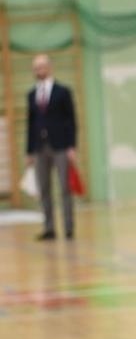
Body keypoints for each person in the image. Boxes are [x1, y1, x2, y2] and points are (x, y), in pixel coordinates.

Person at [25, 53, 79, 240]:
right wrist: (29, 150)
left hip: (61, 146)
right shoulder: (31, 95)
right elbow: (30, 124)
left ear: (49, 67)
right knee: (44, 189)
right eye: (35, 67)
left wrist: (72, 146)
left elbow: (71, 120)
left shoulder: (62, 92)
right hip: (40, 147)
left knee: (64, 187)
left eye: (41, 66)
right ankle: (49, 228)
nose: (38, 70)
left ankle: (68, 226)